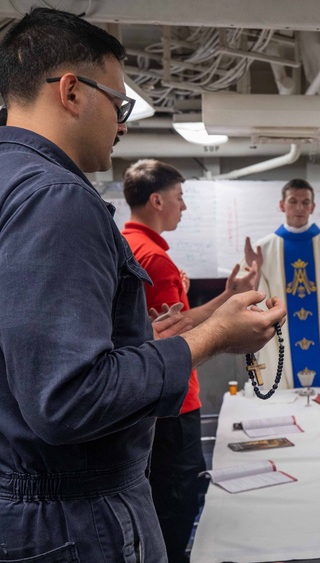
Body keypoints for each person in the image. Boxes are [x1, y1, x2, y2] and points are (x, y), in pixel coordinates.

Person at [0, 8, 286, 562]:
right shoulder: (54, 198)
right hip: (69, 521)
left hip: (2, 513)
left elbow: (20, 362)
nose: (122, 125)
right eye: (119, 104)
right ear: (71, 91)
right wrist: (210, 338)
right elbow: (67, 399)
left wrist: (141, 342)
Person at [121, 159, 259, 561]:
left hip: (144, 405)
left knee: (158, 507)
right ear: (157, 200)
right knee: (178, 505)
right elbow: (179, 336)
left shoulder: (128, 247)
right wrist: (230, 322)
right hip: (175, 404)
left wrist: (225, 297)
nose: (184, 207)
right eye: (180, 198)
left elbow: (174, 320)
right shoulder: (156, 260)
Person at [242, 178, 320, 389]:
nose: (299, 208)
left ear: (313, 207)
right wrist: (256, 276)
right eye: (293, 201)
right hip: (281, 340)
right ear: (282, 205)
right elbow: (247, 302)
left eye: (305, 202)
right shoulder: (262, 249)